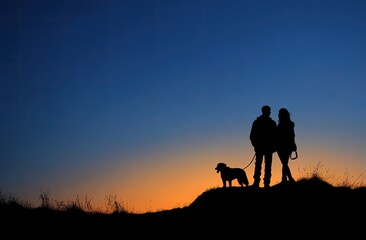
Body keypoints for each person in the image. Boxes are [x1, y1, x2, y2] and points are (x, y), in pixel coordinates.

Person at [249, 105, 277, 188]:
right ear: (265, 111)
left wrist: (256, 145)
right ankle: (260, 183)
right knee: (262, 165)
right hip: (263, 148)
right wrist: (256, 145)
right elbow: (252, 135)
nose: (269, 112)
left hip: (266, 148)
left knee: (263, 165)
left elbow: (275, 136)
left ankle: (263, 183)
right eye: (269, 111)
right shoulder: (268, 122)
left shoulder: (270, 122)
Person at [276, 108, 297, 184]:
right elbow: (292, 136)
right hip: (287, 146)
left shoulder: (281, 124)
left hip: (281, 146)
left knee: (284, 163)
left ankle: (288, 179)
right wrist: (293, 144)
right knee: (285, 163)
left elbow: (292, 135)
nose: (278, 115)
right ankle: (285, 179)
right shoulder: (290, 124)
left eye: (279, 114)